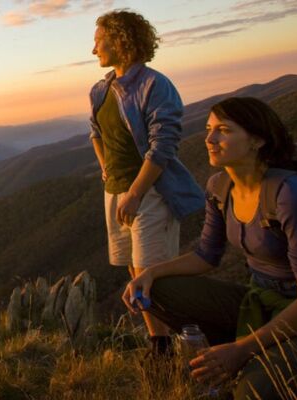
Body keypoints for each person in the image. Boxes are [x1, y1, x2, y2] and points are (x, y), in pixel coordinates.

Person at [123, 97, 297, 399]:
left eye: (223, 130)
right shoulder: (220, 187)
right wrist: (149, 274)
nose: (209, 139)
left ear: (257, 140)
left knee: (251, 392)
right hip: (262, 301)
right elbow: (206, 255)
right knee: (155, 290)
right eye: (209, 129)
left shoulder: (290, 197)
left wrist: (242, 350)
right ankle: (246, 350)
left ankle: (259, 356)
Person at [88, 9, 203, 357]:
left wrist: (136, 192)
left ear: (120, 40)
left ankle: (167, 345)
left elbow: (163, 145)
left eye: (99, 41)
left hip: (150, 192)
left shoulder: (154, 85)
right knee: (132, 266)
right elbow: (95, 133)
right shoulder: (100, 89)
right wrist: (106, 169)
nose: (94, 49)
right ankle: (159, 340)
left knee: (150, 270)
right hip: (115, 191)